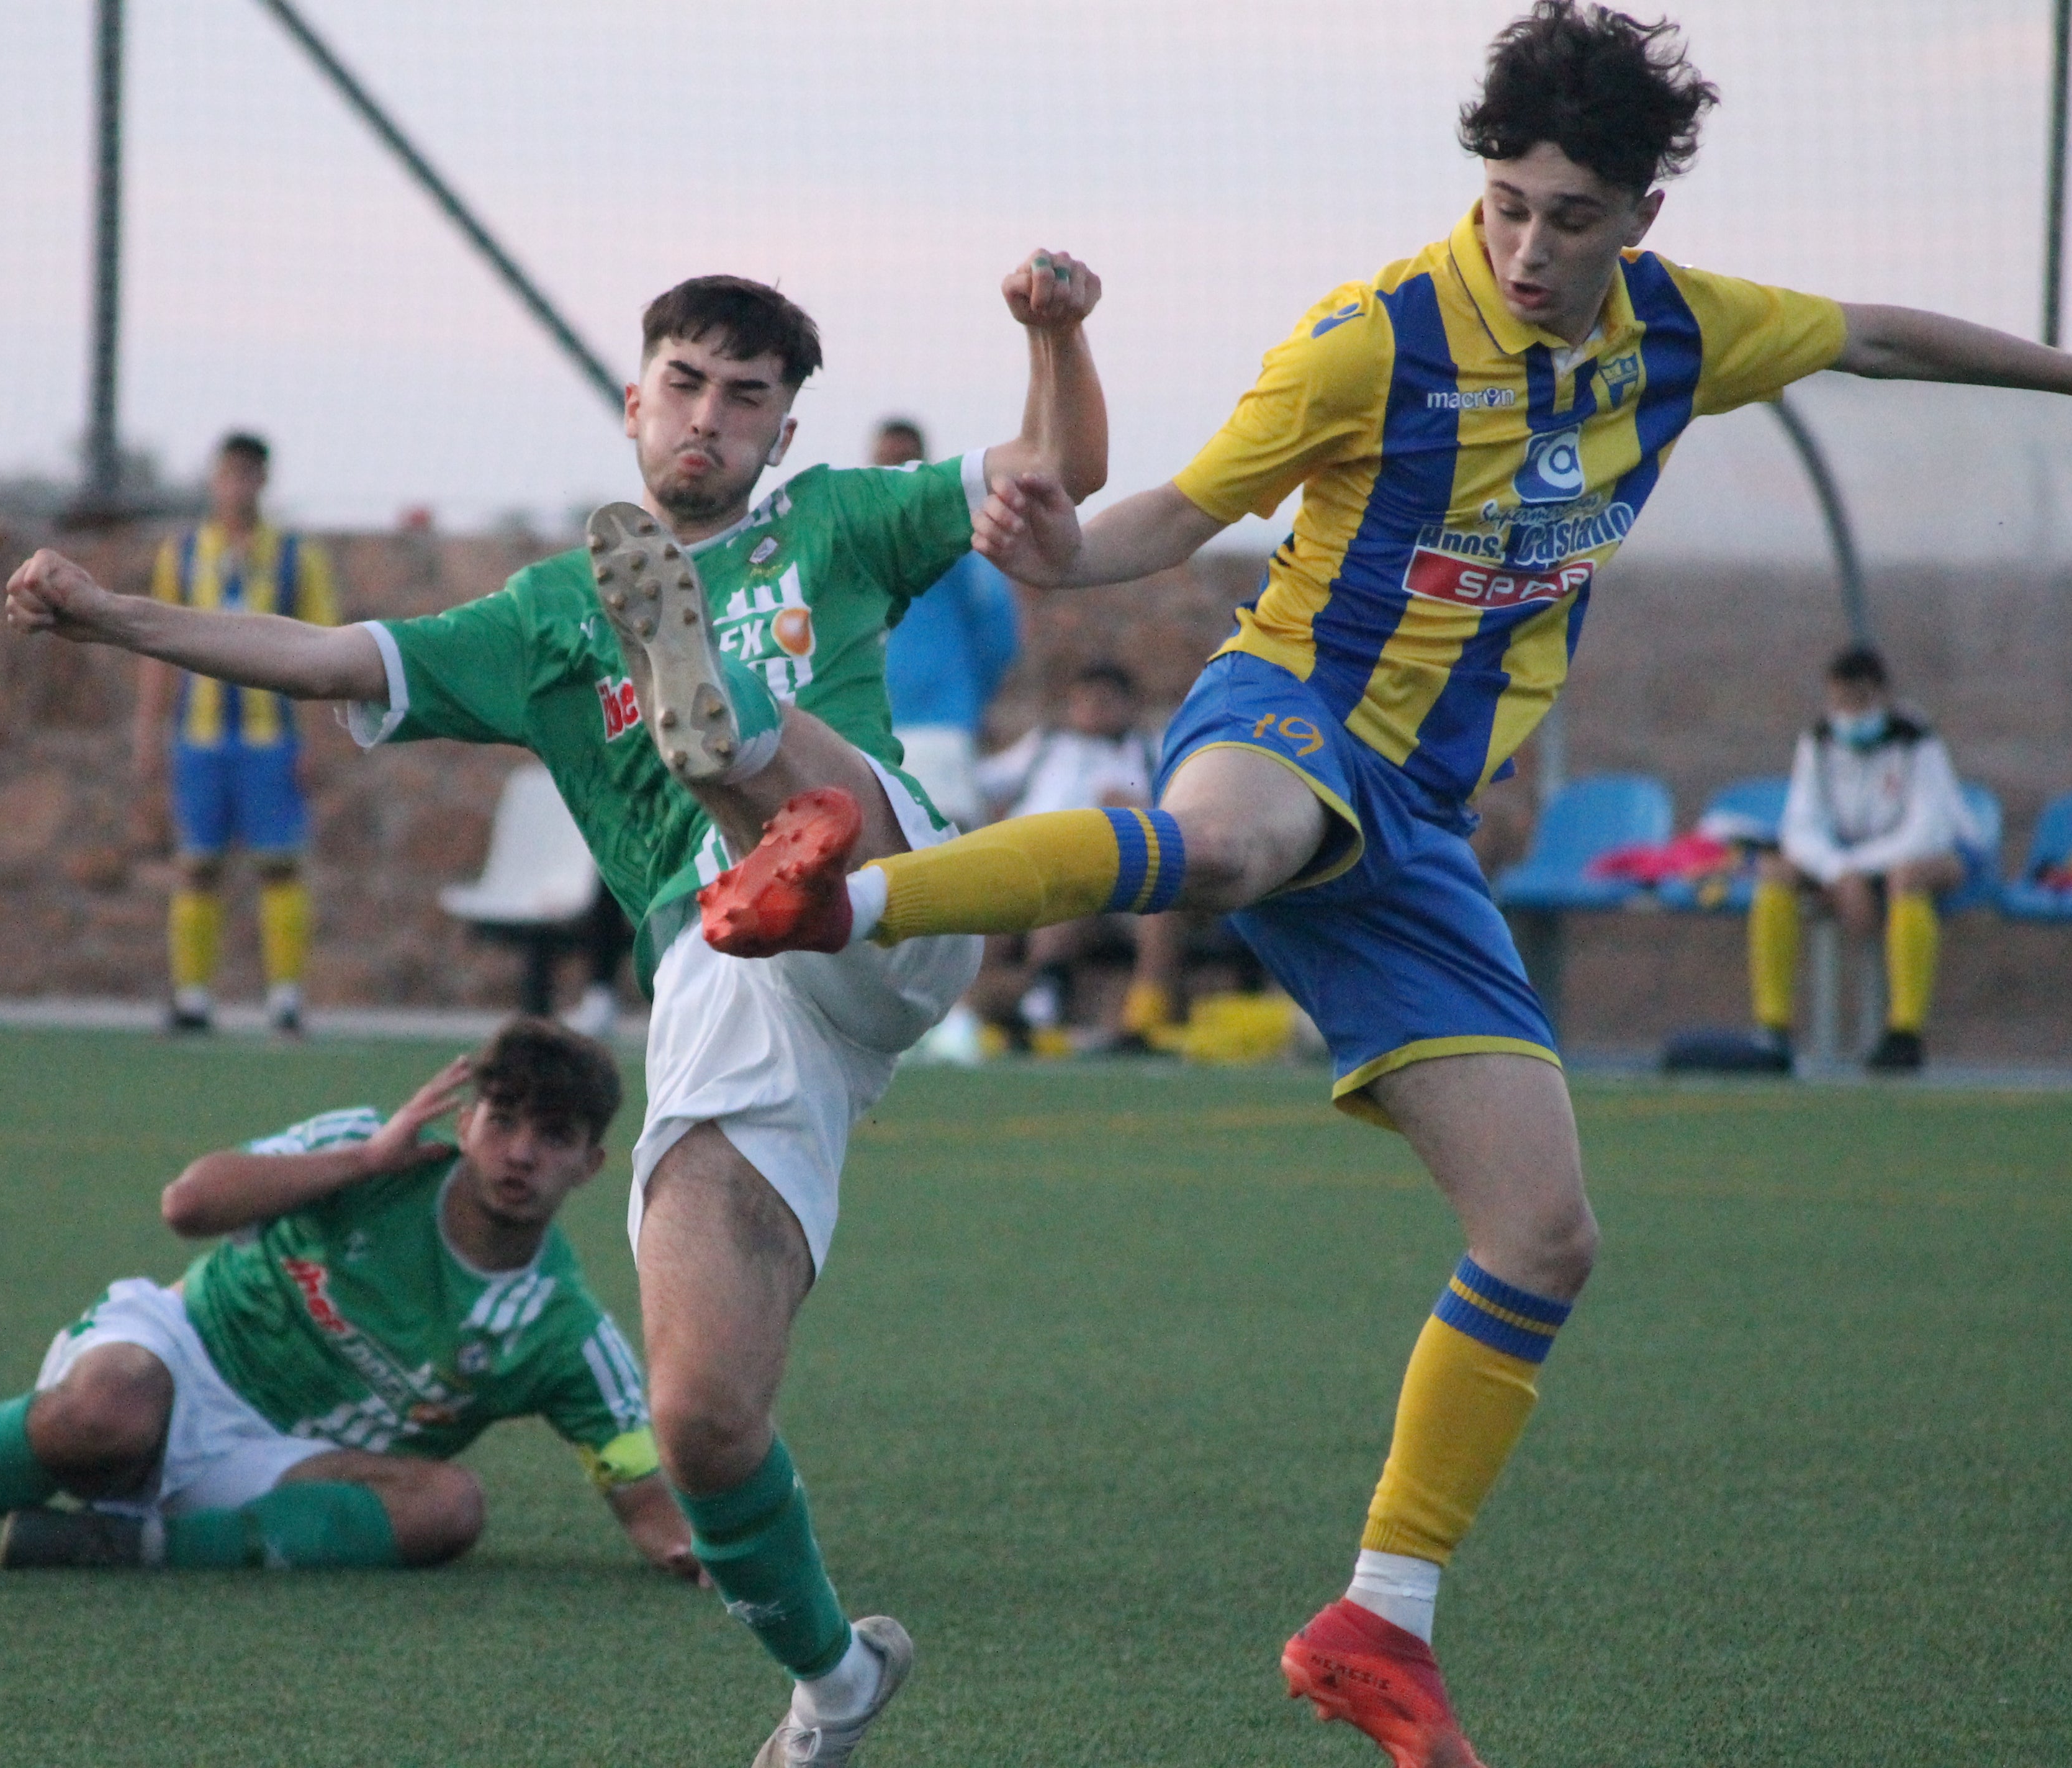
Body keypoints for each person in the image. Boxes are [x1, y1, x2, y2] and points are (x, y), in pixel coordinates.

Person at [696, 6, 2072, 1762]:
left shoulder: (1683, 333)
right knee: (1229, 843)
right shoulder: (1371, 338)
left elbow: (1873, 333)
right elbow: (1167, 523)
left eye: (1570, 214)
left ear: (1639, 215)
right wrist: (1056, 554)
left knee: (1546, 1232)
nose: (1525, 245)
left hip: (1417, 819)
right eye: (1505, 201)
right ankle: (847, 898)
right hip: (1287, 711)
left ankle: (1381, 1622)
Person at [4, 259, 1105, 1764]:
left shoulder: (844, 517)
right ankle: (835, 1680)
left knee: (774, 781)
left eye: (746, 396)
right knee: (702, 1415)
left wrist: (1053, 333)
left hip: (887, 889)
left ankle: (727, 727)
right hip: (725, 979)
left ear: (785, 430)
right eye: (686, 383)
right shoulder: (541, 618)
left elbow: (1056, 470)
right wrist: (112, 614)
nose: (710, 417)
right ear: (634, 396)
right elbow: (334, 657)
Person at [0, 1019, 703, 1581]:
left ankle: (120, 1546)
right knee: (103, 1411)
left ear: (591, 1164)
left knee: (448, 1506)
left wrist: (692, 1550)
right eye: (505, 1119)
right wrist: (359, 1159)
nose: (521, 1151)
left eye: (553, 1135)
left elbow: (639, 1485)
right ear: (470, 1116)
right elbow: (189, 1205)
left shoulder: (562, 1330)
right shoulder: (368, 1146)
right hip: (180, 1354)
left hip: (276, 1463)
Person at [132, 431, 340, 1035]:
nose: (237, 487)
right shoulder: (184, 552)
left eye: (248, 476)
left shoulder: (297, 557)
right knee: (198, 865)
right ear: (213, 479)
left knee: (280, 864)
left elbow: (324, 650)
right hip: (199, 737)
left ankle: (286, 997)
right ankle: (193, 996)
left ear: (264, 482)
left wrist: (316, 743)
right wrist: (149, 731)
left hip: (270, 736)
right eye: (228, 475)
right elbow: (157, 647)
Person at [1748, 645, 1971, 1073]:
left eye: (1860, 701)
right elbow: (1800, 826)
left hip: (1919, 861)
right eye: (1840, 702)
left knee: (1907, 878)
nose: (1850, 713)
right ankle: (1772, 1029)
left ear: (1883, 697)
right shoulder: (1818, 740)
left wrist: (1856, 870)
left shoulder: (1916, 740)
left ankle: (1905, 1032)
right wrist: (1839, 872)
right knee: (1776, 872)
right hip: (1848, 863)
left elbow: (1928, 831)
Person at [963, 662, 1179, 1050]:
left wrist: (1141, 808)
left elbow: (1186, 816)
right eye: (1083, 703)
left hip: (1119, 879)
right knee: (985, 920)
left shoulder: (1152, 752)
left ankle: (1142, 1016)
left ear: (1129, 706)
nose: (1092, 712)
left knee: (1115, 901)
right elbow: (978, 783)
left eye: (1105, 703)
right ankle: (994, 1009)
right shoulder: (1044, 747)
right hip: (1029, 868)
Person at [873, 417, 1022, 829]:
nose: (894, 474)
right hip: (871, 729)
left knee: (945, 835)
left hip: (941, 722)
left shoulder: (954, 540)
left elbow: (998, 632)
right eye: (885, 463)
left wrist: (971, 700)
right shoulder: (859, 543)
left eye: (904, 462)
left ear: (924, 465)